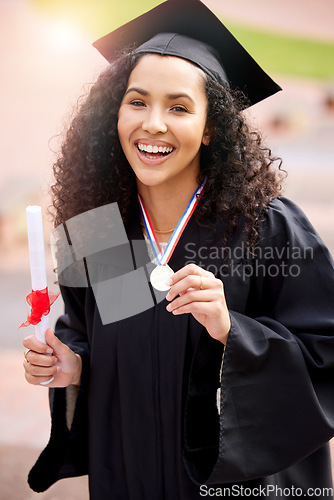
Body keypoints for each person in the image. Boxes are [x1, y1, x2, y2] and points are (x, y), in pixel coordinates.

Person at [22, 0, 334, 498]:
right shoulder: (101, 232)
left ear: (212, 128)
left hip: (231, 486)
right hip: (127, 476)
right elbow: (91, 337)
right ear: (114, 113)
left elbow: (324, 354)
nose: (154, 124)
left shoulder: (264, 227)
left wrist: (235, 331)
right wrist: (74, 366)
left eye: (180, 107)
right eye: (137, 101)